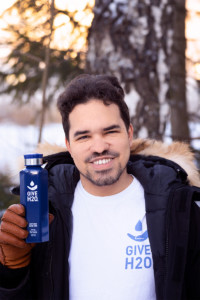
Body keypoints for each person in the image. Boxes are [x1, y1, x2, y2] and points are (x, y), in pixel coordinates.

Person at [0, 74, 200, 300]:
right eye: (84, 136)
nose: (99, 147)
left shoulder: (177, 208)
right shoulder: (43, 212)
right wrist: (12, 271)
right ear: (69, 145)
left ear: (129, 134)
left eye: (110, 131)